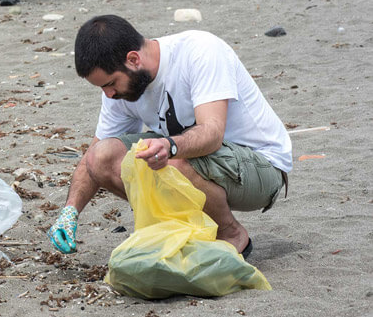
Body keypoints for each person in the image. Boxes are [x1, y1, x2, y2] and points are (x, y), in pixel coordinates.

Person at [48, 15, 292, 259]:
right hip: (199, 165)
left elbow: (212, 133)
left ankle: (230, 233)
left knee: (171, 162)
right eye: (102, 87)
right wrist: (70, 211)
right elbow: (94, 155)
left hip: (261, 168)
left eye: (111, 84)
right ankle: (185, 230)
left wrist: (169, 145)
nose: (109, 94)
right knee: (102, 157)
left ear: (133, 59)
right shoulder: (117, 92)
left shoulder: (199, 51)